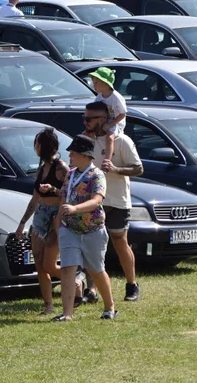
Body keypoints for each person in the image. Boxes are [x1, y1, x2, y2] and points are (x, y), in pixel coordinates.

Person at [81, 101, 144, 304]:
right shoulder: (84, 140)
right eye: (84, 118)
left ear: (102, 119)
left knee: (119, 241)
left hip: (117, 200)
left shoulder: (121, 141)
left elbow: (138, 168)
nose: (86, 122)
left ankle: (131, 284)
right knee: (91, 244)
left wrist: (116, 169)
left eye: (90, 119)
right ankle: (91, 289)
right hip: (91, 201)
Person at [54, 135, 115, 322]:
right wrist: (59, 225)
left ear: (85, 155)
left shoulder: (97, 175)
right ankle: (67, 313)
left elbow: (97, 200)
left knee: (96, 270)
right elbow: (64, 199)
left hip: (93, 230)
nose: (70, 156)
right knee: (67, 269)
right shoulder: (70, 174)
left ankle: (109, 307)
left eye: (73, 153)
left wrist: (75, 209)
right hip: (69, 229)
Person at [15, 129, 68, 315]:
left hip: (55, 216)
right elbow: (34, 199)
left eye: (37, 143)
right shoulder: (40, 169)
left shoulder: (62, 169)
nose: (34, 147)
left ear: (44, 146)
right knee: (38, 262)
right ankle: (48, 305)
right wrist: (22, 223)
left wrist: (53, 188)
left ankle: (74, 281)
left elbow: (70, 194)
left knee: (49, 264)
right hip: (40, 216)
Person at [88, 67, 126, 168]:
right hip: (103, 121)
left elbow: (123, 114)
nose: (94, 85)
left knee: (109, 136)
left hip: (115, 122)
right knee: (87, 133)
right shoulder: (99, 97)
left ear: (105, 83)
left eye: (96, 83)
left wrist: (110, 124)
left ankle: (107, 160)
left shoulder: (116, 97)